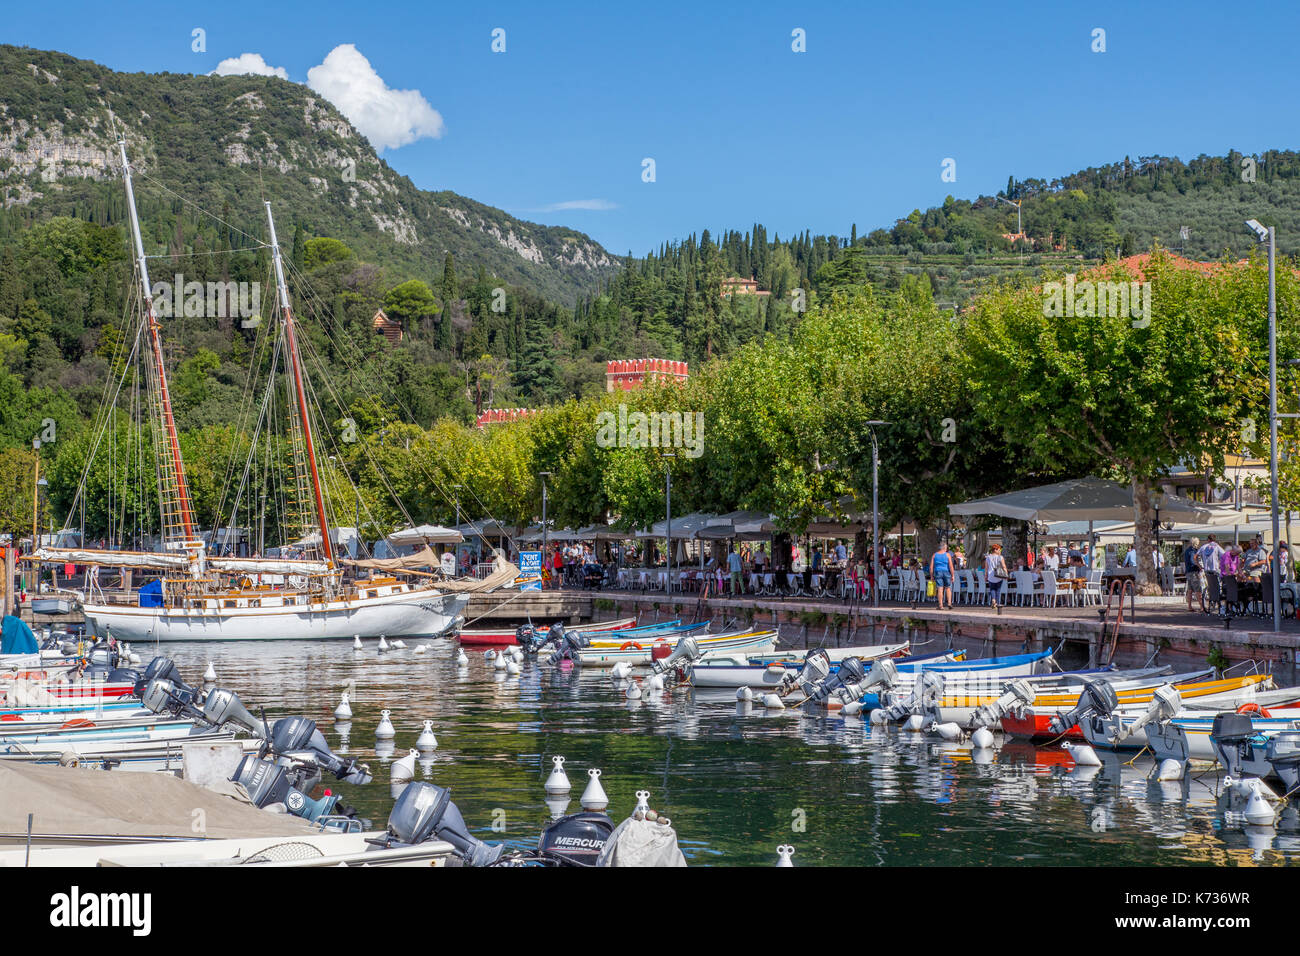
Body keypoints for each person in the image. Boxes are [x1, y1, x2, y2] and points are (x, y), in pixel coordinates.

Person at [1196, 535, 1224, 613]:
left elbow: (1195, 556)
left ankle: (1212, 600)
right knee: (1219, 585)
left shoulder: (1203, 547)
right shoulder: (1217, 546)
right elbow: (1224, 555)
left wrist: (1199, 566)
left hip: (1206, 571)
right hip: (1215, 570)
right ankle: (1219, 602)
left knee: (1211, 586)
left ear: (1208, 539)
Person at [929, 539, 954, 610]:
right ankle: (949, 603)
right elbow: (951, 566)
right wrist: (952, 575)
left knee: (940, 588)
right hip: (946, 572)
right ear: (945, 548)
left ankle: (941, 605)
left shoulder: (934, 555)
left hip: (938, 572)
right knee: (948, 587)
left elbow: (931, 567)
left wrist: (931, 576)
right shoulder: (948, 555)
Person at [984, 544, 1008, 614]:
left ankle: (993, 600)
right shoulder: (1000, 557)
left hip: (991, 575)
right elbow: (1004, 566)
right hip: (999, 575)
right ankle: (997, 603)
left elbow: (986, 568)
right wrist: (1006, 574)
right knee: (998, 590)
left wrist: (986, 576)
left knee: (992, 589)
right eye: (999, 549)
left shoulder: (988, 557)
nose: (1000, 550)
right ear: (996, 549)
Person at [1183, 537, 1204, 612]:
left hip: (1188, 572)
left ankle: (1189, 606)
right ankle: (1202, 606)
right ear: (1196, 543)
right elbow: (1193, 561)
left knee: (1190, 590)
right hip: (1193, 572)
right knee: (1198, 589)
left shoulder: (1187, 550)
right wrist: (1200, 566)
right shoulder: (1193, 551)